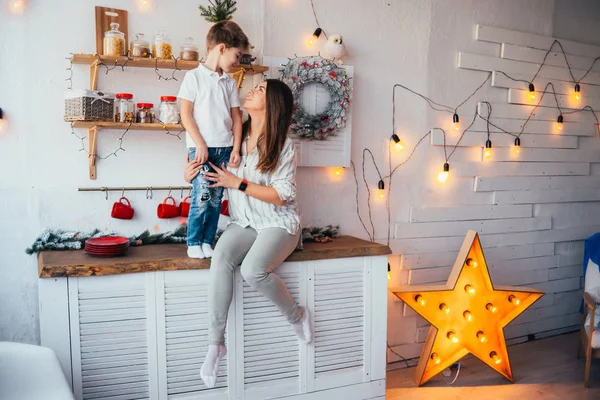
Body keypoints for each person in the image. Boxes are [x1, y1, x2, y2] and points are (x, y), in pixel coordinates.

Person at [183, 79, 311, 388]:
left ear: (272, 104)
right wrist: (191, 175)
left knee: (254, 271)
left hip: (279, 223)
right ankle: (215, 344)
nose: (252, 90)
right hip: (244, 223)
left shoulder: (284, 145)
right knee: (221, 259)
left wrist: (237, 183)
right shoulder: (232, 141)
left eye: (261, 89)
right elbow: (212, 179)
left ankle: (297, 315)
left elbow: (283, 196)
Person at [178, 20, 249, 259]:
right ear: (221, 48)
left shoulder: (229, 82)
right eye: (237, 55)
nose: (237, 62)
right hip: (201, 150)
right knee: (201, 197)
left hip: (224, 149)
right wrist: (199, 143)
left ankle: (207, 241)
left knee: (217, 199)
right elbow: (185, 114)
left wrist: (236, 148)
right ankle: (194, 241)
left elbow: (236, 119)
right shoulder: (193, 78)